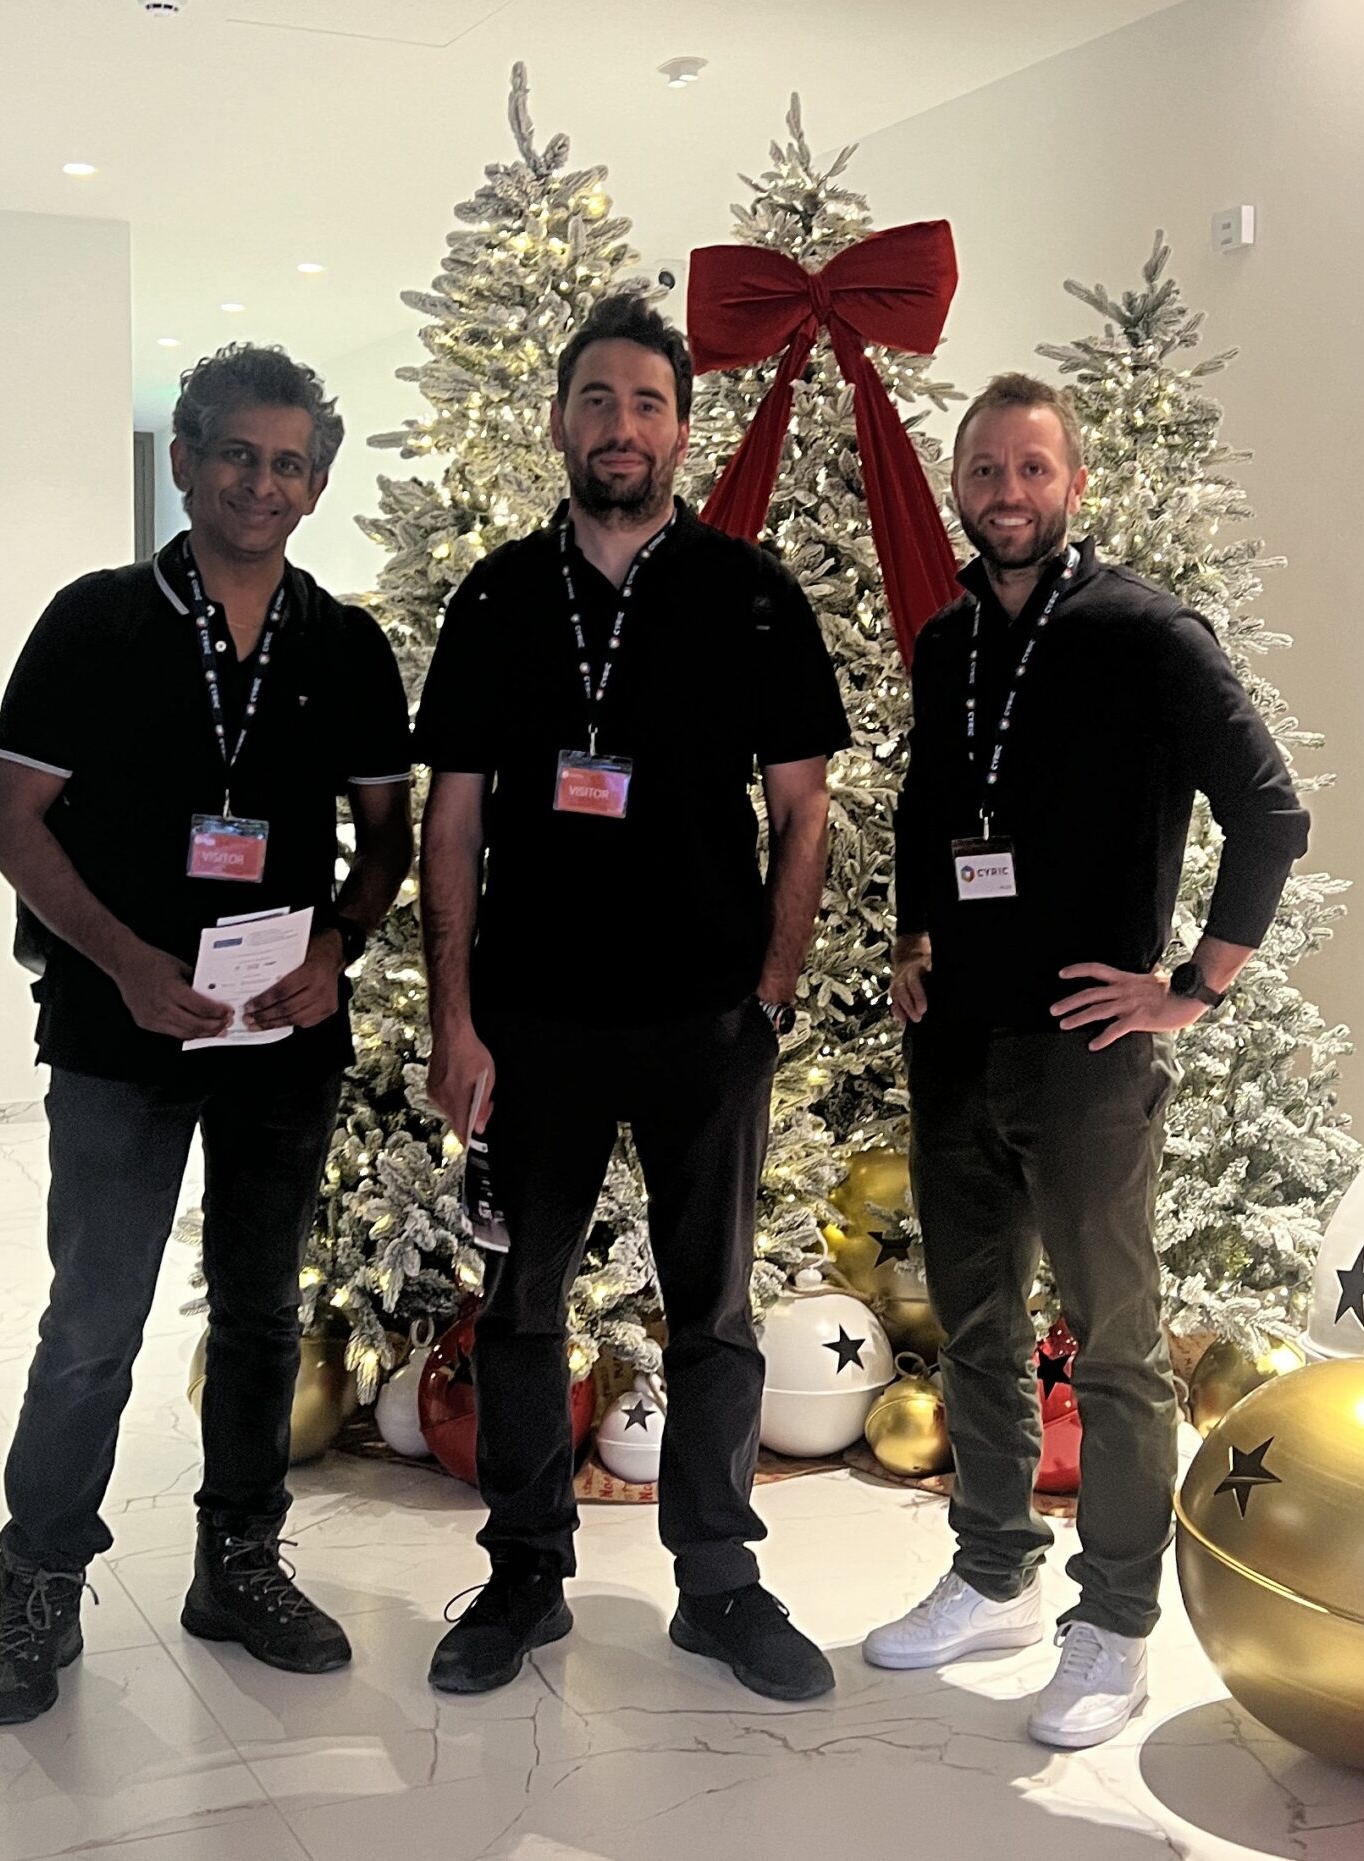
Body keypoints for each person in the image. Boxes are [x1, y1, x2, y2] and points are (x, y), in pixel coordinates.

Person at [0, 344, 414, 1727]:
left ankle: (239, 1560)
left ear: (318, 484)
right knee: (94, 1319)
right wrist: (128, 960)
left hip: (280, 1035)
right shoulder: (94, 622)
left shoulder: (342, 644)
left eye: (288, 463)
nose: (259, 482)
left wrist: (337, 945)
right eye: (235, 453)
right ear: (184, 460)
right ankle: (39, 1581)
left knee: (266, 1310)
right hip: (118, 1029)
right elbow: (7, 820)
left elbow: (388, 841)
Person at [411, 294, 849, 1703]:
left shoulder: (752, 595)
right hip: (533, 1022)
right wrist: (456, 1018)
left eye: (647, 403)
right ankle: (528, 1570)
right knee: (524, 1305)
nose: (621, 427)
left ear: (681, 429)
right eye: (596, 400)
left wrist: (769, 994)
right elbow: (453, 822)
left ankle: (717, 1578)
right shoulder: (493, 598)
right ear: (559, 422)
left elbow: (805, 808)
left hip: (701, 1023)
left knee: (713, 1311)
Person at [863, 373, 1311, 1748]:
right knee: (978, 1320)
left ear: (1076, 485)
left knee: (1113, 1345)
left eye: (1032, 470)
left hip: (1087, 1050)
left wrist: (1193, 985)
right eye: (984, 471)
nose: (1006, 493)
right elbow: (938, 802)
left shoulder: (1143, 633)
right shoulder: (948, 644)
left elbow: (1270, 811)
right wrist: (917, 935)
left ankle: (1113, 1624)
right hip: (958, 1044)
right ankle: (995, 1568)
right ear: (960, 488)